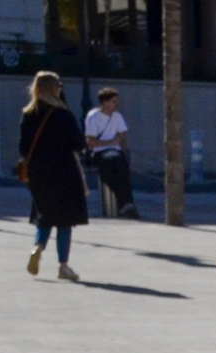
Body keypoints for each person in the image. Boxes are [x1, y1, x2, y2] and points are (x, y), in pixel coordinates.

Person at [18, 71, 87, 281]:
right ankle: (63, 266)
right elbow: (78, 143)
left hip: (38, 173)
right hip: (64, 171)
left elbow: (23, 147)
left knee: (44, 214)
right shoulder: (63, 114)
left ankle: (38, 247)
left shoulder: (28, 114)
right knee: (65, 221)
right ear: (54, 88)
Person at [85, 86, 135, 218]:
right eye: (113, 101)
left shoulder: (117, 116)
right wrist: (110, 142)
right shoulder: (93, 117)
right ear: (105, 102)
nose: (116, 104)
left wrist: (123, 149)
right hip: (100, 152)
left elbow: (122, 136)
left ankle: (127, 205)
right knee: (110, 176)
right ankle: (125, 204)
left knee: (123, 176)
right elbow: (90, 141)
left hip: (116, 152)